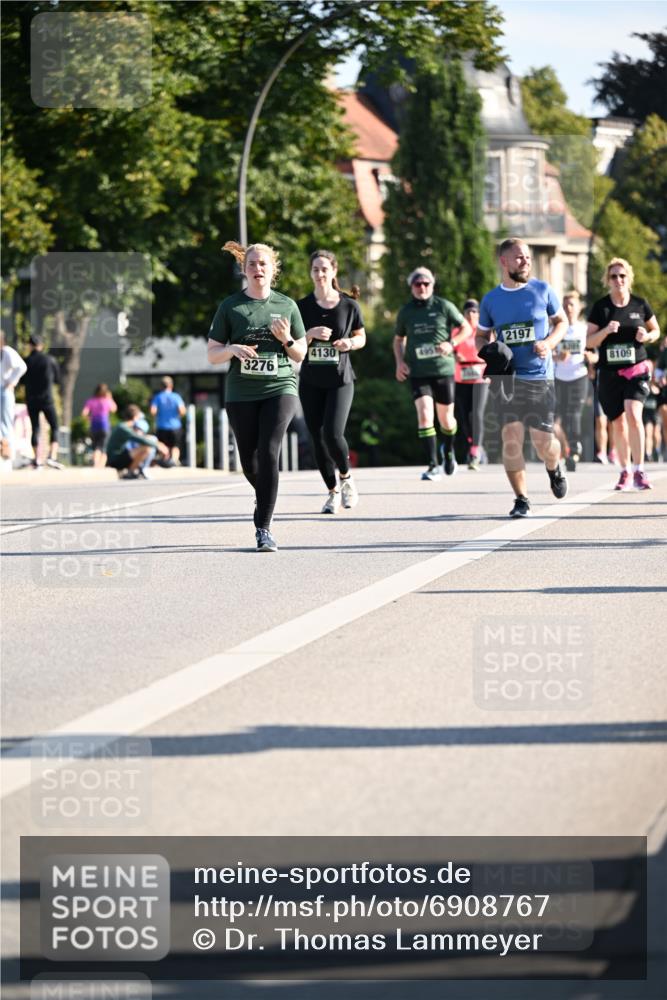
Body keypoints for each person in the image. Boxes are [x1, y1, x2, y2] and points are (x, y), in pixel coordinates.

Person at [208, 241, 307, 552]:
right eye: (252, 264)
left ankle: (263, 528)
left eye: (263, 263)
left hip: (280, 387)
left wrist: (286, 339)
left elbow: (300, 353)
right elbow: (212, 354)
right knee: (249, 461)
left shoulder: (287, 305)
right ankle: (263, 494)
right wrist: (231, 349)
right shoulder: (231, 306)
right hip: (241, 392)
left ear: (273, 269)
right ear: (244, 269)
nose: (257, 268)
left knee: (269, 452)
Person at [477, 238, 568, 518]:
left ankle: (554, 467)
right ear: (504, 261)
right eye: (519, 257)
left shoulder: (543, 290)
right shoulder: (491, 300)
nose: (526, 261)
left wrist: (549, 344)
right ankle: (521, 499)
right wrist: (487, 351)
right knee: (511, 438)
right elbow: (481, 335)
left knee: (543, 443)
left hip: (539, 377)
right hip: (506, 379)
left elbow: (561, 322)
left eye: (527, 257)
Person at [297, 249, 366, 513]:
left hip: (340, 379)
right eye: (315, 269)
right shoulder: (301, 307)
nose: (320, 274)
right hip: (311, 380)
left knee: (333, 433)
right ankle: (332, 492)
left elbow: (361, 337)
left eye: (324, 269)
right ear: (310, 273)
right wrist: (310, 334)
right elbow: (292, 345)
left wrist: (350, 343)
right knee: (316, 437)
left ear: (334, 271)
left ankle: (346, 478)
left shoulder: (349, 305)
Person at [586, 257, 661, 490]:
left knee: (633, 414)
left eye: (622, 275)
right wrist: (606, 331)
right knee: (618, 423)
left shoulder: (640, 304)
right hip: (609, 373)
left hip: (636, 369)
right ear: (608, 280)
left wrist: (647, 336)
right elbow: (588, 342)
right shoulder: (601, 307)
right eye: (614, 276)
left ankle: (639, 470)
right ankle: (625, 470)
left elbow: (656, 330)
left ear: (629, 278)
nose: (618, 280)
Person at [393, 267, 472, 480]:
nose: (422, 287)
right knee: (425, 415)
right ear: (411, 287)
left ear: (432, 285)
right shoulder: (406, 311)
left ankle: (448, 450)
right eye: (417, 284)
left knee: (447, 420)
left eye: (426, 283)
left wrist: (451, 343)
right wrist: (399, 363)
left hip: (443, 370)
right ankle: (432, 465)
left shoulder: (443, 306)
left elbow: (466, 328)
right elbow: (398, 340)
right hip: (418, 372)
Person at [553, 291, 593, 472]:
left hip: (579, 376)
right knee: (561, 417)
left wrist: (591, 357)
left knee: (574, 412)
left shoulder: (584, 329)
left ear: (578, 308)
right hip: (560, 377)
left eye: (572, 305)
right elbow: (547, 353)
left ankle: (575, 446)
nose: (569, 308)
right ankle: (568, 450)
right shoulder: (556, 329)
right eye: (565, 305)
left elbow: (595, 353)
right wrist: (558, 357)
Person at [453, 298, 489, 471]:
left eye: (474, 311)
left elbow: (492, 351)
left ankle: (475, 451)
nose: (471, 314)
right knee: (464, 416)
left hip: (480, 376)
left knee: (476, 413)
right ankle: (473, 443)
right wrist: (455, 356)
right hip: (461, 376)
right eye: (468, 311)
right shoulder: (457, 331)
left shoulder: (484, 331)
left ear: (478, 314)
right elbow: (449, 350)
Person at [22, 334, 63, 469]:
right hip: (47, 399)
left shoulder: (26, 361)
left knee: (35, 428)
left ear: (30, 345)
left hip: (31, 399)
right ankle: (52, 456)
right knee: (55, 426)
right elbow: (57, 379)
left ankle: (37, 459)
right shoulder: (49, 360)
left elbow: (21, 381)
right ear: (41, 345)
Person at [106, 404, 168, 479]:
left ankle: (136, 470)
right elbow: (140, 439)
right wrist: (158, 446)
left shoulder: (123, 426)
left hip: (119, 456)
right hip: (115, 459)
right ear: (135, 417)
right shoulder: (123, 428)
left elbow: (141, 437)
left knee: (149, 441)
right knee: (147, 449)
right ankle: (131, 472)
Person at [0, 331, 27, 465]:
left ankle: (8, 455)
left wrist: (11, 382)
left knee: (6, 421)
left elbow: (22, 367)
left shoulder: (7, 352)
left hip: (5, 390)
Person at [150, 376, 186, 466]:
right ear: (171, 385)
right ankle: (174, 461)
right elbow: (182, 411)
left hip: (161, 426)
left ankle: (164, 461)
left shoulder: (158, 397)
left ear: (161, 386)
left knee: (163, 445)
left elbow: (153, 411)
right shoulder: (176, 396)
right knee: (175, 446)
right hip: (175, 426)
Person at [81, 383, 117, 468]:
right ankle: (100, 466)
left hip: (94, 425)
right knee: (103, 447)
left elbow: (84, 413)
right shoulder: (107, 400)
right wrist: (110, 398)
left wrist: (89, 419)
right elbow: (114, 409)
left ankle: (96, 464)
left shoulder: (91, 401)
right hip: (104, 425)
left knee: (96, 446)